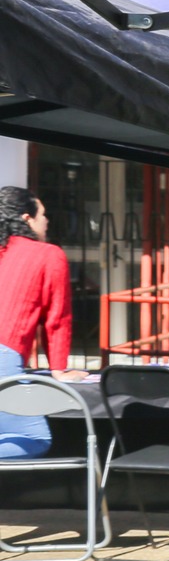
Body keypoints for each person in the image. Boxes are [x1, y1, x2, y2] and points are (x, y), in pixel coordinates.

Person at [0, 186, 78, 459]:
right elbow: (57, 318)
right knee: (36, 438)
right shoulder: (48, 254)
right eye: (42, 215)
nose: (47, 221)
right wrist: (59, 369)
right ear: (26, 219)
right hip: (4, 358)